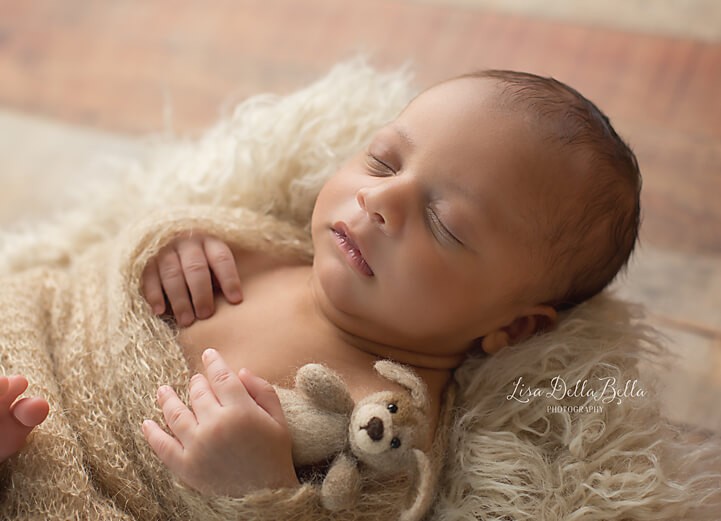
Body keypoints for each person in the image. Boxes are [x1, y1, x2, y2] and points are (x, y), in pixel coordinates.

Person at [0, 70, 641, 498]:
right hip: (33, 340)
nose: (378, 198)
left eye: (445, 223)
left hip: (79, 488)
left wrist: (261, 487)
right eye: (383, 160)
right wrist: (174, 245)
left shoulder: (388, 433)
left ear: (516, 326)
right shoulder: (274, 246)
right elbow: (119, 250)